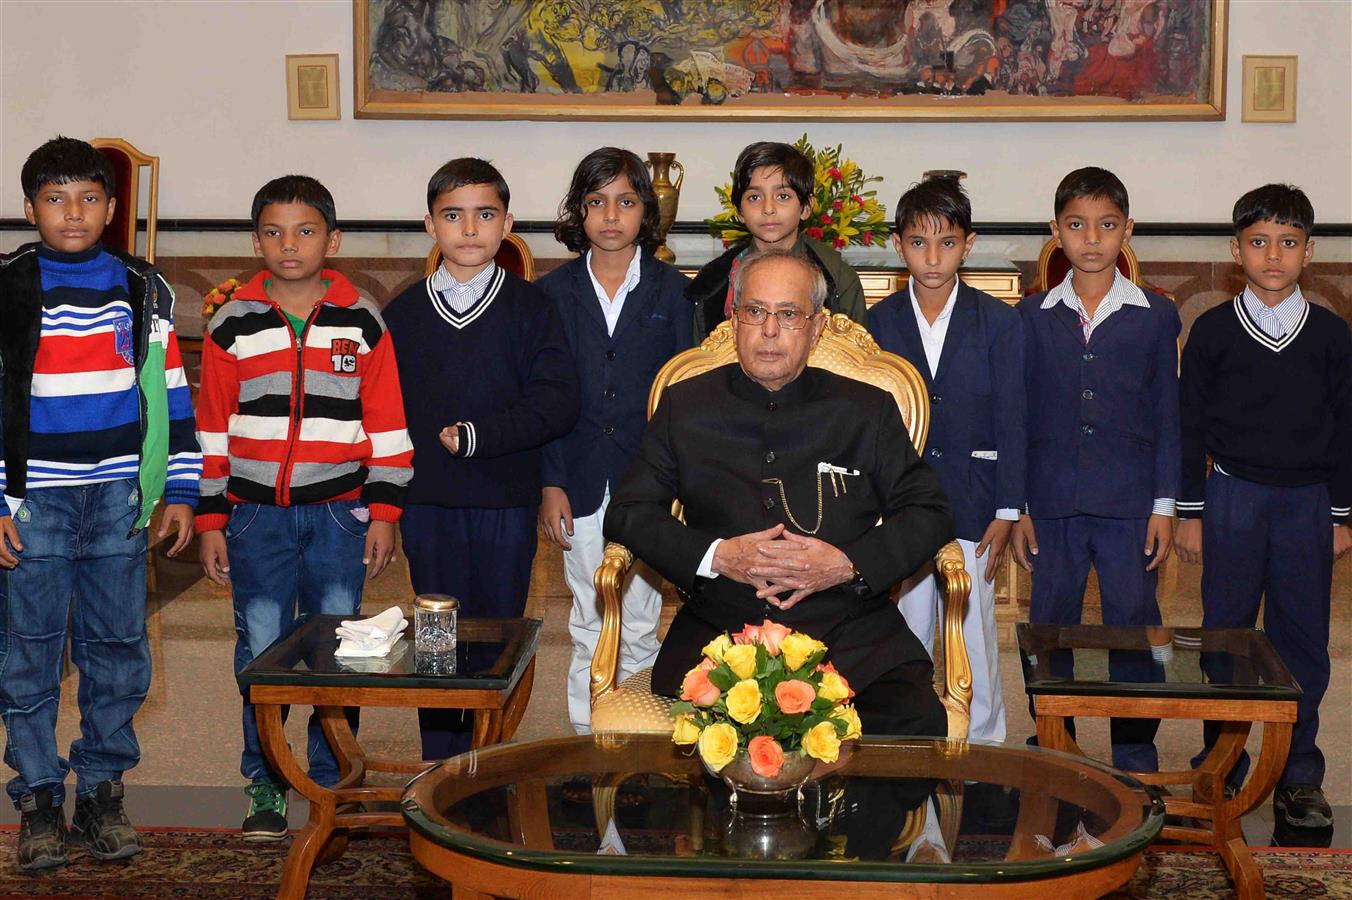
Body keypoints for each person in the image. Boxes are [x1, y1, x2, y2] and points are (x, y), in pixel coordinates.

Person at [605, 249, 954, 738]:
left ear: (815, 328)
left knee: (911, 724)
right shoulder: (686, 405)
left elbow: (929, 512)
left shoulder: (865, 410)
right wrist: (717, 556)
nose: (769, 330)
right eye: (755, 311)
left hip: (847, 630)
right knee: (677, 780)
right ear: (734, 317)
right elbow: (628, 512)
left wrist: (847, 565)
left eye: (788, 315)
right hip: (721, 633)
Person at [0, 136, 200, 869]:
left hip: (118, 500)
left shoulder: (143, 287)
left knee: (119, 652)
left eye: (88, 198)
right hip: (34, 507)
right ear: (30, 209)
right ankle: (41, 800)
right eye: (55, 199)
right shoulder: (10, 287)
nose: (72, 212)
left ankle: (104, 789)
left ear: (112, 208)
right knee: (28, 657)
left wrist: (179, 487)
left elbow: (172, 395)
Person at [195, 175, 413, 842]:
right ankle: (264, 781)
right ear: (256, 239)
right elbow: (211, 428)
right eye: (274, 231)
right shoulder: (233, 322)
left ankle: (331, 781)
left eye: (306, 230)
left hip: (338, 515)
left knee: (338, 653)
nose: (289, 244)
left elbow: (388, 424)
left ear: (333, 239)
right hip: (254, 517)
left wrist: (383, 513)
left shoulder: (361, 319)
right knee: (259, 652)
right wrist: (211, 519)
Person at [383, 158, 579, 759]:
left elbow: (556, 402)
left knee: (497, 639)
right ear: (430, 225)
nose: (469, 229)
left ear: (508, 224)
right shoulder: (403, 312)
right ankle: (439, 770)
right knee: (436, 645)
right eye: (453, 215)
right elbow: (383, 413)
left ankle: (489, 766)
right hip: (428, 506)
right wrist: (385, 505)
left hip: (504, 503)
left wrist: (478, 436)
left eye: (485, 215)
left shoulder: (532, 308)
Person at [1177, 184, 1352, 828]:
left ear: (1310, 252)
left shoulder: (1332, 335)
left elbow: (1346, 428)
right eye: (1258, 243)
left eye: (1287, 243)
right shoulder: (1215, 331)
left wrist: (1341, 515)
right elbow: (1189, 424)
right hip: (1232, 498)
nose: (1272, 255)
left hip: (1306, 505)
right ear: (1235, 252)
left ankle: (1299, 773)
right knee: (1224, 635)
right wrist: (1192, 510)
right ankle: (1221, 763)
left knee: (1302, 640)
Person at [1011, 166, 1180, 773]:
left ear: (1126, 231)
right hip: (1051, 502)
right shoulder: (1030, 317)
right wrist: (1021, 507)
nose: (1091, 239)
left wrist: (1165, 506)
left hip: (1128, 503)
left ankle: (1135, 748)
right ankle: (1055, 740)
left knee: (1133, 624)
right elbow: (1019, 416)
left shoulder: (1156, 316)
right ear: (1056, 231)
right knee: (1049, 626)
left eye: (1106, 226)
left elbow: (1166, 415)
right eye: (1077, 226)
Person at [536, 148, 692, 733]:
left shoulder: (674, 292)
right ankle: (588, 742)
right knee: (589, 618)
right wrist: (550, 481)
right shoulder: (552, 295)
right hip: (577, 476)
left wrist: (677, 487)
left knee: (643, 621)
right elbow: (544, 399)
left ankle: (641, 741)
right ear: (579, 212)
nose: (610, 215)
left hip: (646, 483)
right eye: (596, 202)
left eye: (625, 202)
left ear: (644, 211)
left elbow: (681, 394)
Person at [867, 177, 1025, 748]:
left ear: (969, 243)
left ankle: (983, 744)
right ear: (899, 245)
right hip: (899, 505)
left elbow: (1013, 420)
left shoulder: (1000, 322)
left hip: (975, 499)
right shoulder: (877, 324)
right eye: (918, 244)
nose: (932, 259)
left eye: (947, 243)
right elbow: (868, 424)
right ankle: (905, 741)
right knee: (903, 626)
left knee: (974, 628)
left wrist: (1009, 506)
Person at [686, 141, 866, 339]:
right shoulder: (714, 282)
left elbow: (855, 360)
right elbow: (700, 361)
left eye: (782, 196)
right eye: (754, 198)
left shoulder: (838, 279)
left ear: (806, 207)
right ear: (739, 211)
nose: (768, 208)